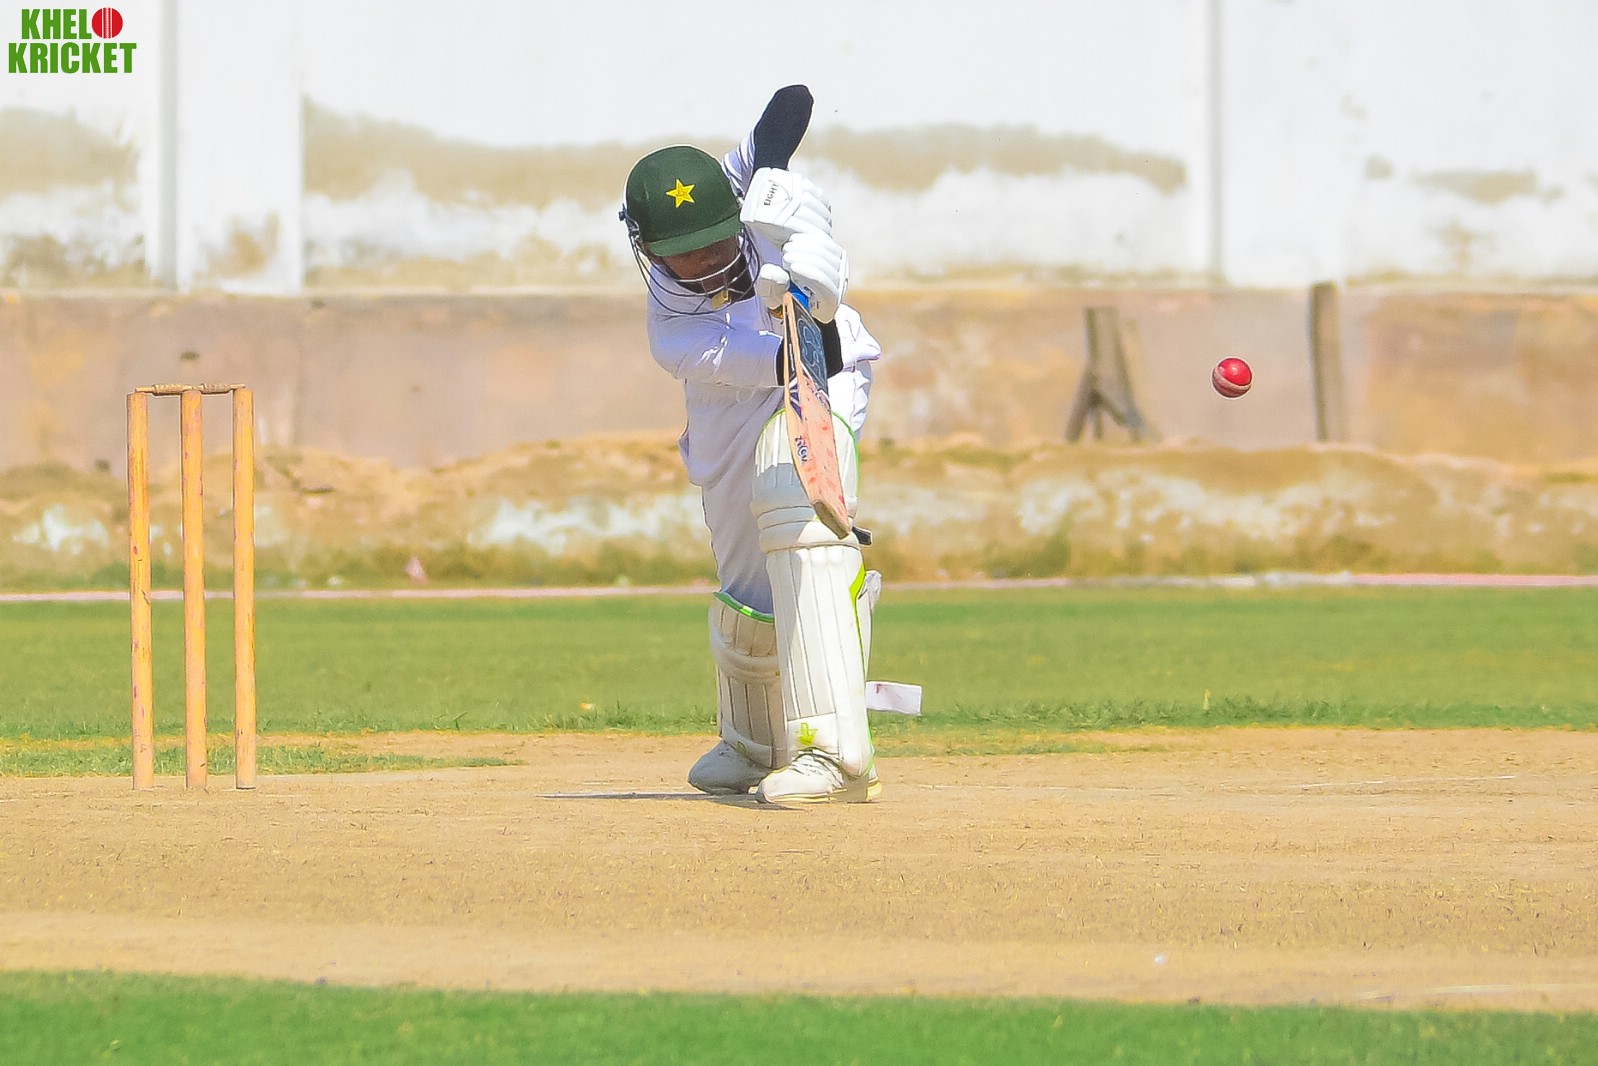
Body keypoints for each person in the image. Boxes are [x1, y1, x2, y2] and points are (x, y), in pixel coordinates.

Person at [619, 85, 889, 804]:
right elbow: (787, 358)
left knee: (795, 508)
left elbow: (792, 103)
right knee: (745, 577)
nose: (708, 259)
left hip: (827, 376)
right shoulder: (676, 332)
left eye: (717, 238)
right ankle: (755, 743)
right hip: (744, 392)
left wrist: (781, 190)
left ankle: (834, 753)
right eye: (685, 254)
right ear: (649, 252)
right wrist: (808, 309)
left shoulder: (740, 191)